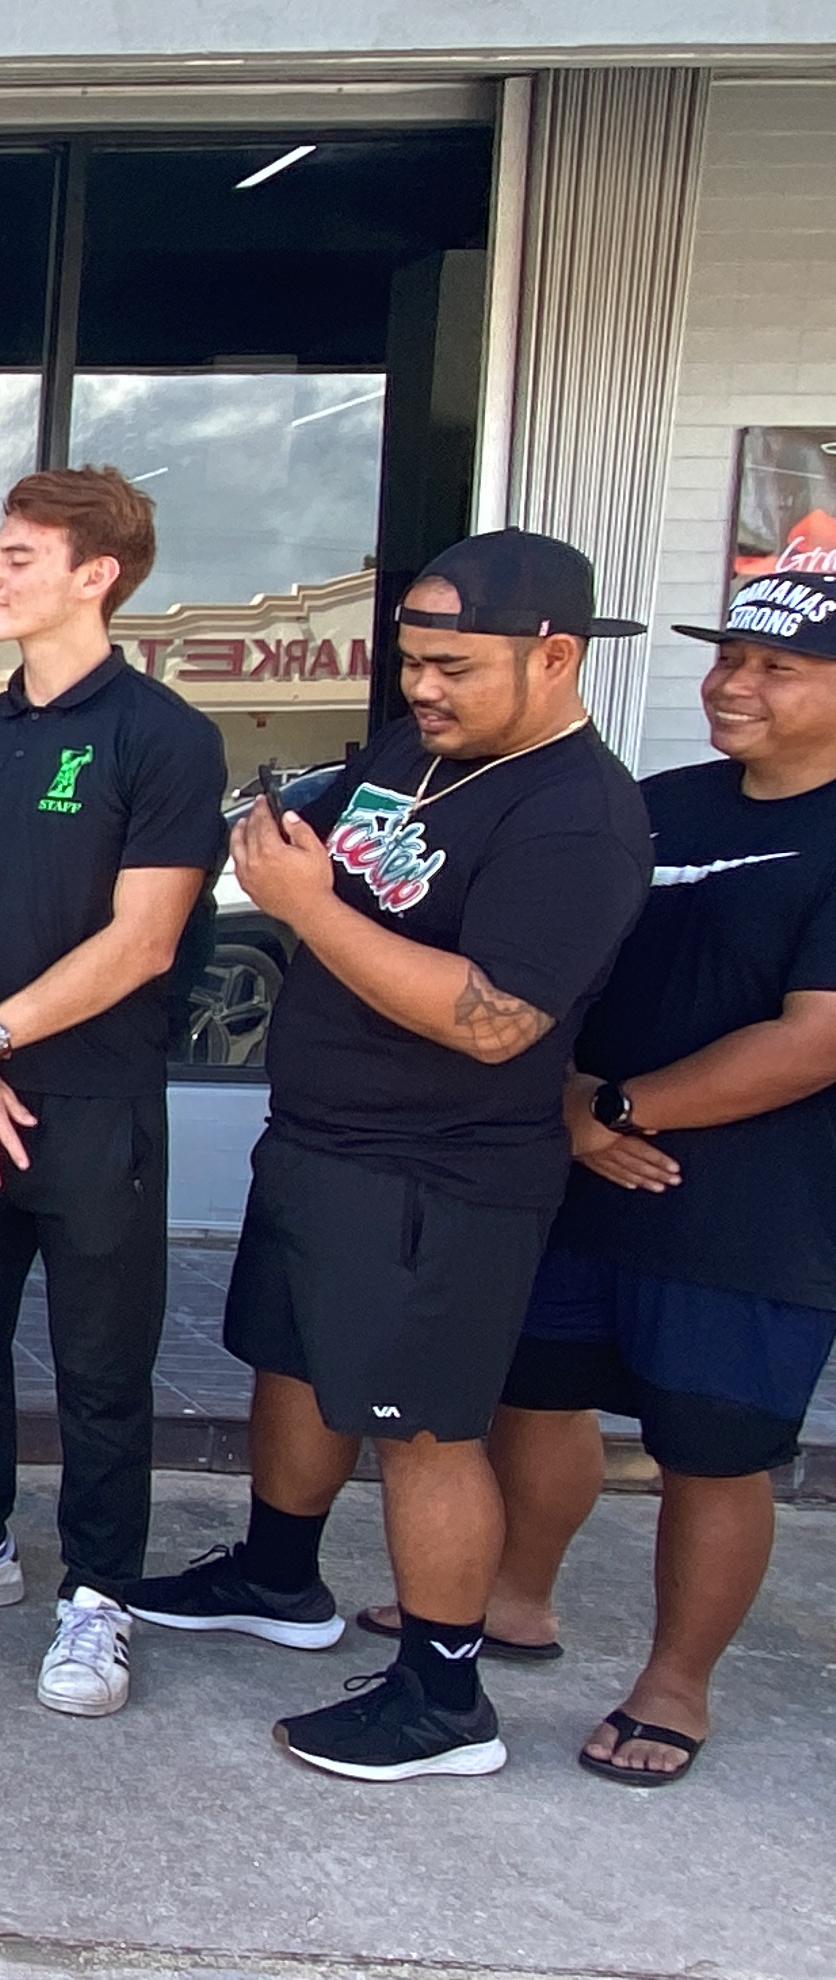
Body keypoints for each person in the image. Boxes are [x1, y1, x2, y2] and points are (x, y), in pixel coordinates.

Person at [129, 529, 655, 1784]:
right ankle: (276, 1576)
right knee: (294, 1364)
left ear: (553, 657)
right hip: (321, 1141)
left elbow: (498, 1021)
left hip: (442, 1170)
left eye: (452, 668)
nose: (420, 688)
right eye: (411, 661)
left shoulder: (576, 814)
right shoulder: (415, 753)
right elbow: (329, 855)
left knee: (420, 1430)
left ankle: (442, 1695)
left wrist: (306, 908)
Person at [450, 571, 836, 1786]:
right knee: (533, 1391)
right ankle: (515, 1596)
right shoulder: (654, 806)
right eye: (727, 658)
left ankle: (675, 1684)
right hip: (581, 1167)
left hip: (751, 1205)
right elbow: (548, 964)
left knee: (709, 1449)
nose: (733, 684)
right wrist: (572, 1104)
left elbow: (813, 1039)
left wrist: (620, 1108)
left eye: (776, 669)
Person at [0, 467, 225, 1719]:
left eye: (18, 556)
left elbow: (145, 939)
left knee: (100, 1367)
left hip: (91, 1105)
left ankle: (99, 1596)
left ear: (93, 576)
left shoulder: (163, 736)